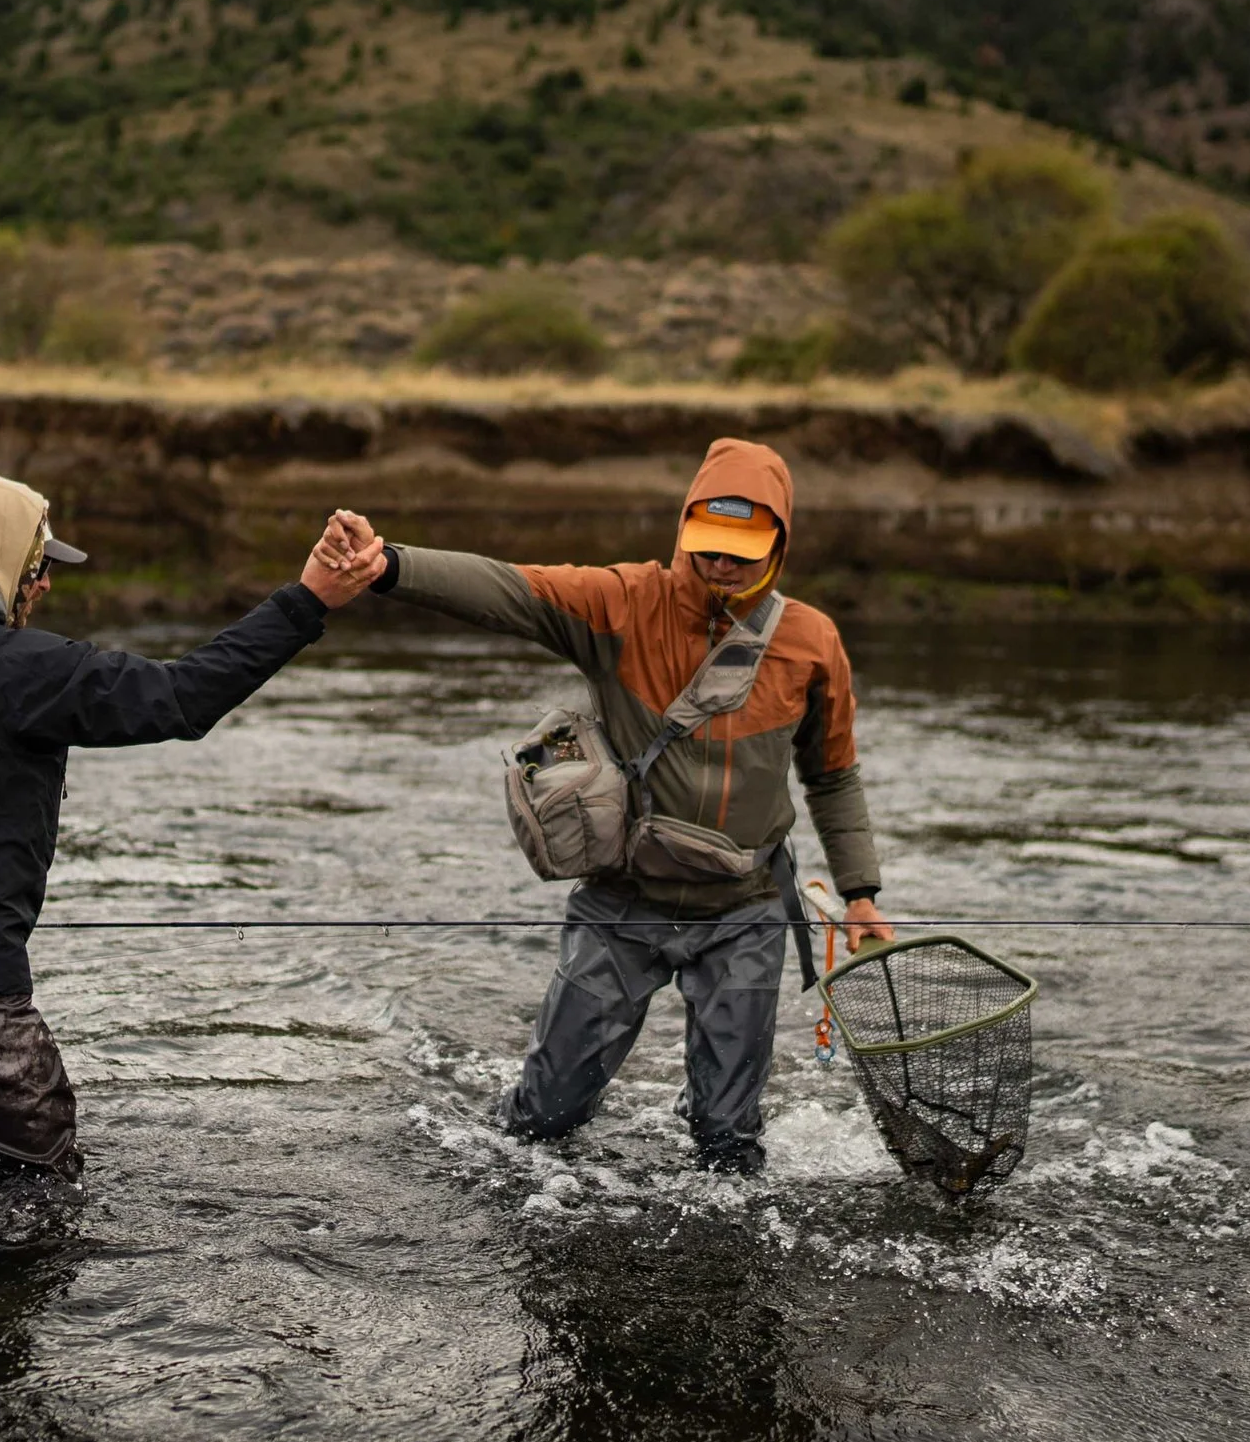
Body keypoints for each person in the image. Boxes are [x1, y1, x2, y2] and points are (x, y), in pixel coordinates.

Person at [0, 473, 388, 1187]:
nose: (43, 587)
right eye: (36, 568)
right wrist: (310, 600)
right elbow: (182, 699)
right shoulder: (30, 668)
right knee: (41, 1188)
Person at [321, 438, 892, 1172]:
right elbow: (509, 589)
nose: (720, 566)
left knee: (728, 1141)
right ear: (685, 530)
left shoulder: (812, 642)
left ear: (778, 544)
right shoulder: (624, 601)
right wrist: (389, 565)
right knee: (543, 1119)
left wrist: (863, 894)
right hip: (623, 905)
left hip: (745, 909)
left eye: (739, 553)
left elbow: (834, 776)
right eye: (707, 548)